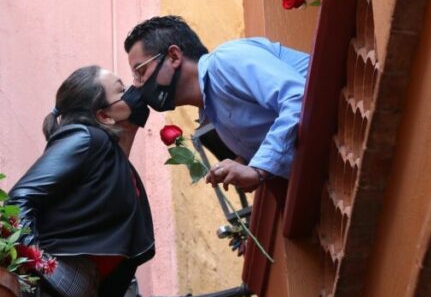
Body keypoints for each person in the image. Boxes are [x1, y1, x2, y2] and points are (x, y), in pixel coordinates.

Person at [8, 65, 154, 297]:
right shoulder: (84, 136)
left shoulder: (108, 156)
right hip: (55, 288)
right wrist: (37, 263)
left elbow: (108, 184)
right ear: (103, 115)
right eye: (122, 91)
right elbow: (20, 198)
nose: (132, 95)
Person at [124, 16, 309, 192]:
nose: (138, 85)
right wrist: (243, 163)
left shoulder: (226, 60)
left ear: (173, 56)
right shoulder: (210, 110)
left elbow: (298, 98)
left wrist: (259, 170)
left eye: (141, 71)